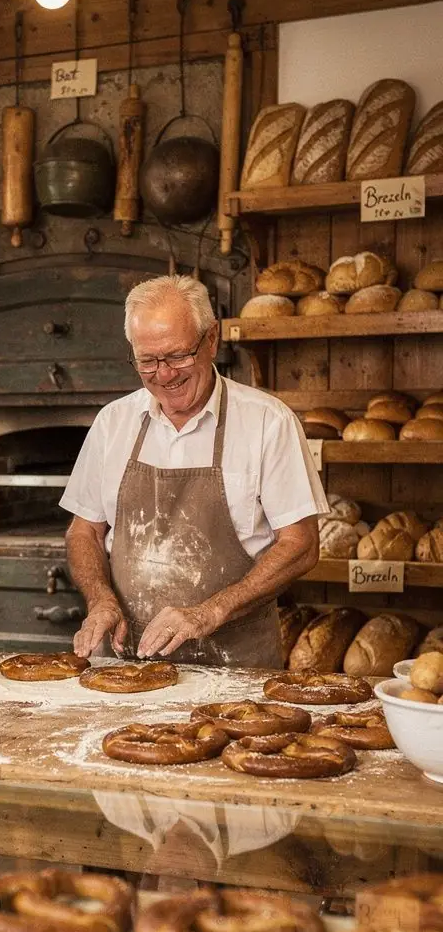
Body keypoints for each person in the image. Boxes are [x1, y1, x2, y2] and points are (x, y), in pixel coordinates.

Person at [60, 274, 327, 667]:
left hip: (233, 665)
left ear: (211, 339)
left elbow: (301, 545)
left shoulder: (268, 422)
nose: (165, 374)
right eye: (147, 361)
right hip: (125, 665)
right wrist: (100, 600)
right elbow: (84, 530)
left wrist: (210, 611)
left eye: (178, 356)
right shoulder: (113, 423)